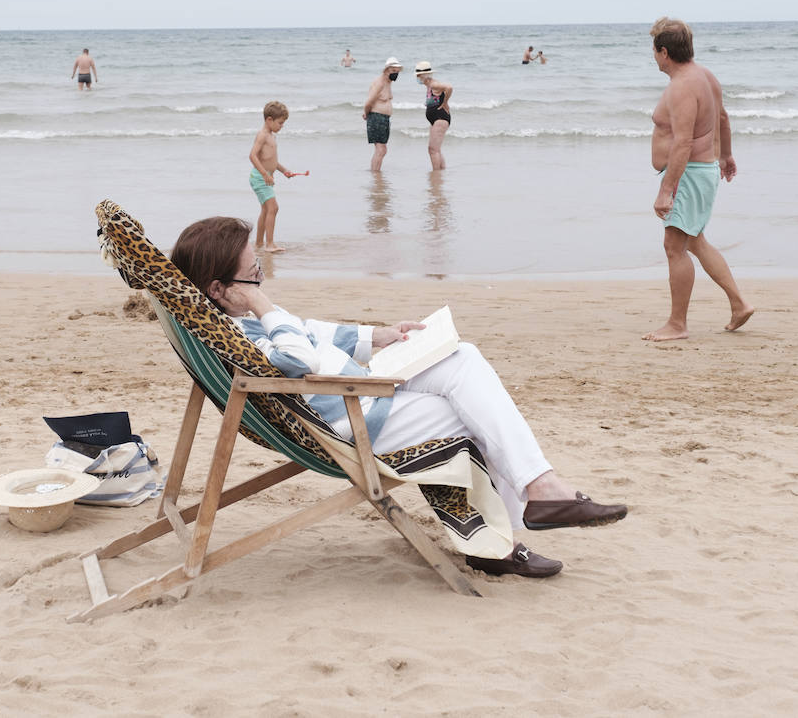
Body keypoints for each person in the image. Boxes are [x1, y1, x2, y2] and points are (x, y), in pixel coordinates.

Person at [170, 216, 629, 577]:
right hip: (352, 420)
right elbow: (298, 359)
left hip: (357, 394)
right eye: (255, 275)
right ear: (219, 289)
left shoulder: (239, 320)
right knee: (473, 409)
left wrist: (382, 336)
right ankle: (510, 531)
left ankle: (533, 500)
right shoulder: (244, 330)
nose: (262, 281)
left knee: (463, 361)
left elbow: (310, 333)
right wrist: (261, 303)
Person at [645, 17, 754, 341]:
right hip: (701, 170)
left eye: (654, 50)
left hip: (689, 174)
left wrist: (667, 190)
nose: (653, 57)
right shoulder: (705, 76)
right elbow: (721, 116)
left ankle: (677, 324)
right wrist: (726, 155)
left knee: (674, 246)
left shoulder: (681, 87)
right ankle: (739, 303)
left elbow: (683, 141)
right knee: (696, 241)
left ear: (664, 52)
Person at [248, 101, 308, 253]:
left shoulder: (271, 136)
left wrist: (284, 171)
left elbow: (271, 160)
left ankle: (259, 243)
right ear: (269, 120)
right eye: (280, 123)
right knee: (273, 208)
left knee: (266, 209)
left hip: (265, 176)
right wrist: (264, 174)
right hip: (260, 177)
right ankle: (269, 244)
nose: (282, 126)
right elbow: (252, 156)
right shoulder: (262, 136)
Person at [363, 58, 401, 172]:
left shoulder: (388, 82)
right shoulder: (380, 83)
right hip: (376, 117)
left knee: (382, 149)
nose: (396, 73)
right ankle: (375, 174)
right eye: (394, 70)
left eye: (397, 71)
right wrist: (366, 113)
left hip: (384, 118)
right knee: (381, 149)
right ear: (386, 70)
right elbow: (369, 102)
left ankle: (376, 173)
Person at [415, 61, 453, 171]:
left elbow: (449, 87)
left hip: (440, 118)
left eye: (418, 75)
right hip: (436, 119)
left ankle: (436, 175)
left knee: (433, 149)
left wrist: (445, 102)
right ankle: (440, 172)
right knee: (436, 149)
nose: (417, 78)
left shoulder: (433, 84)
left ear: (423, 76)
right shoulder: (429, 85)